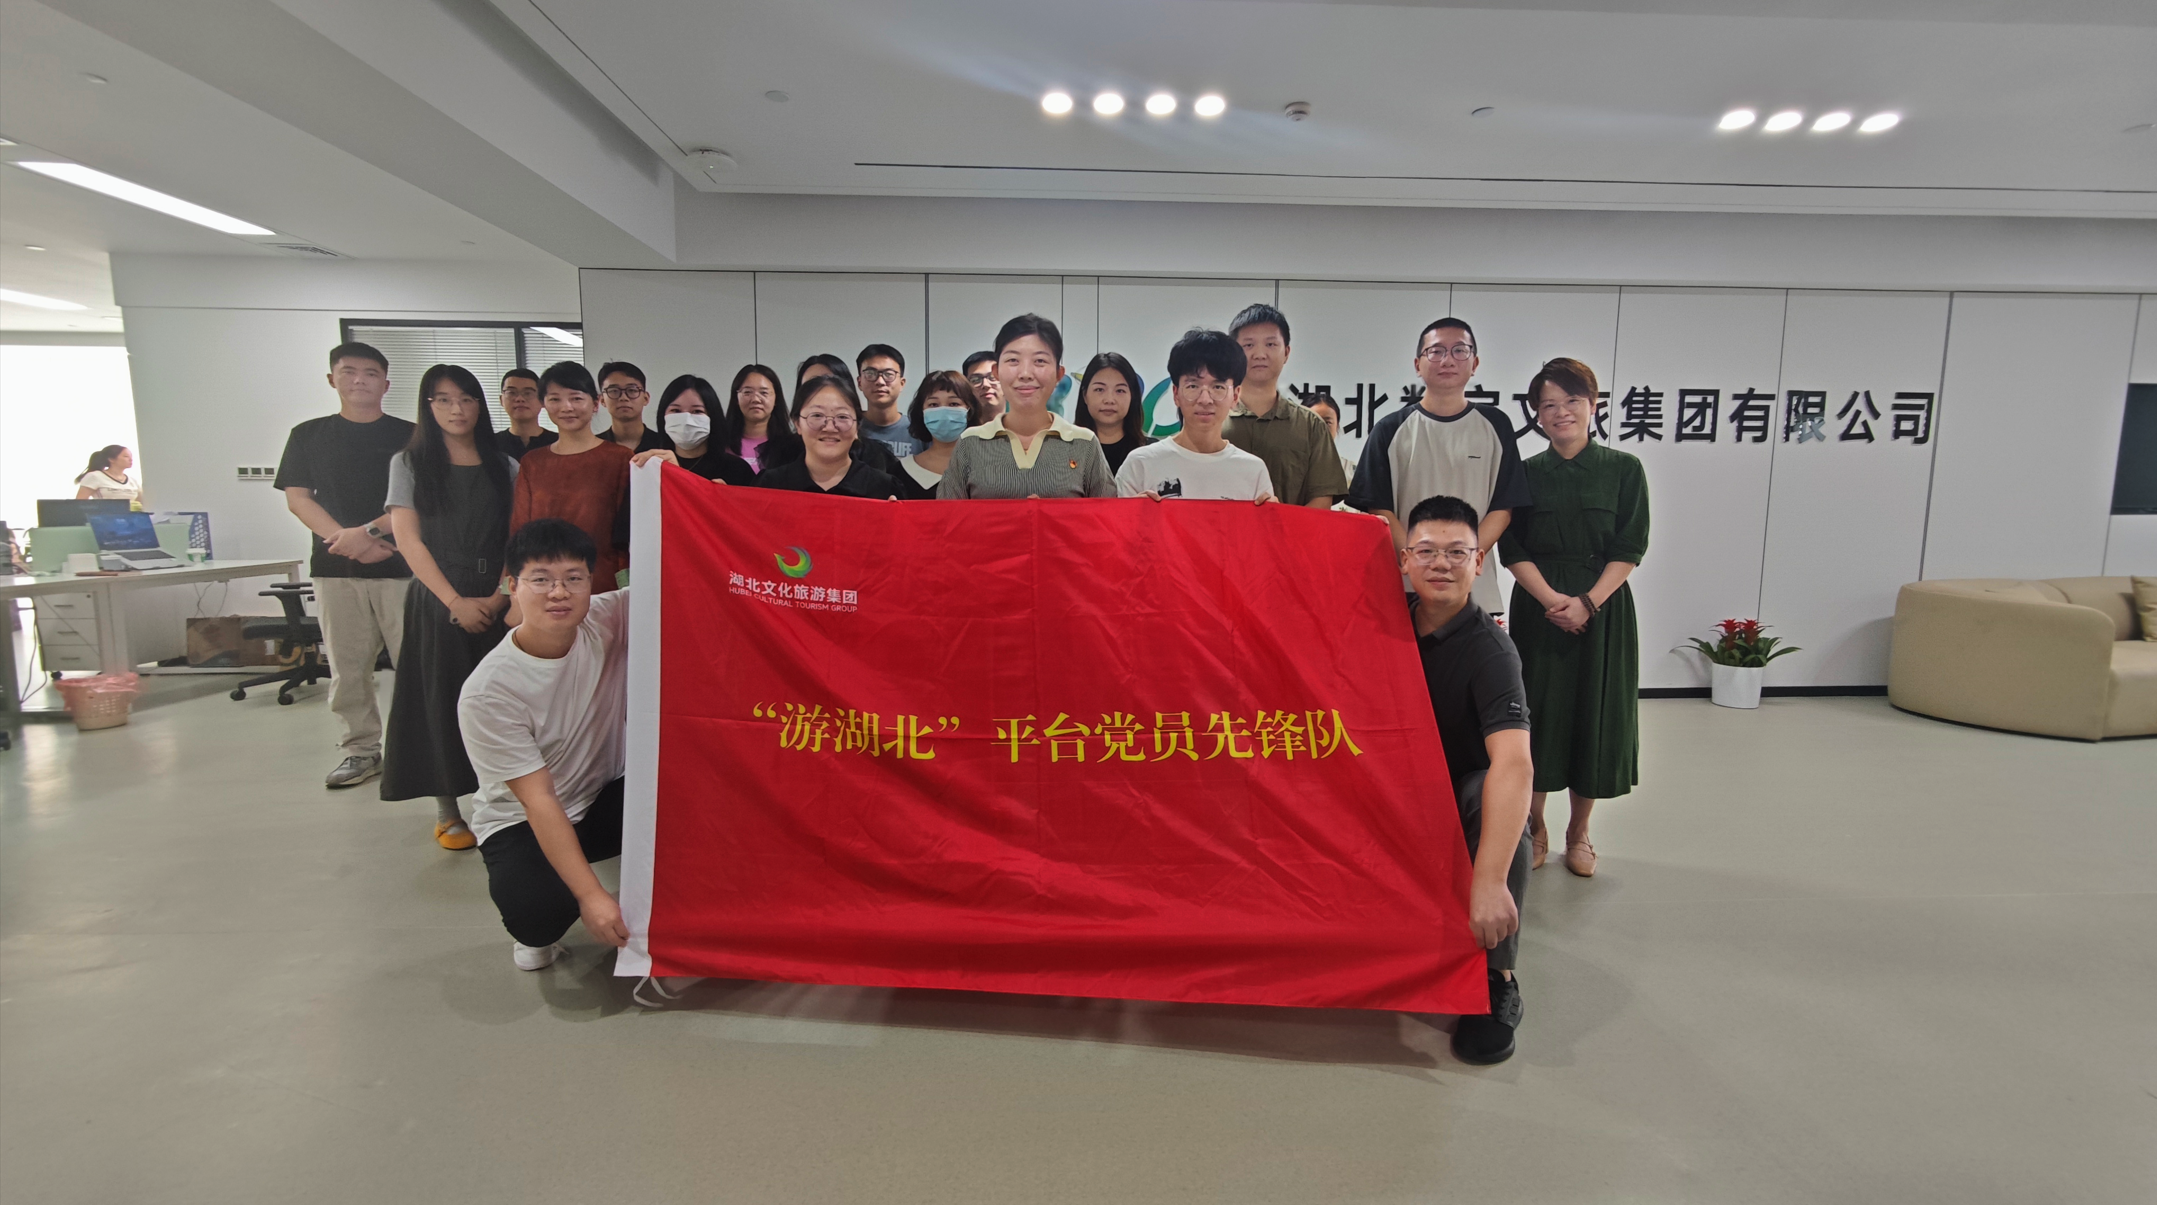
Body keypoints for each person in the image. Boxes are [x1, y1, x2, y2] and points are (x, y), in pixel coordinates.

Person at [1499, 359, 1649, 879]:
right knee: (1536, 715)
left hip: (1604, 606)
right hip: (1538, 607)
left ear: (1593, 405)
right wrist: (1551, 601)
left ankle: (1579, 831)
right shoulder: (1524, 473)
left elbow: (1630, 546)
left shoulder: (1624, 468)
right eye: (1548, 404)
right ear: (1536, 414)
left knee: (1595, 713)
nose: (1560, 412)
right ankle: (1535, 825)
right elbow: (1512, 547)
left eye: (1572, 401)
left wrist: (1588, 602)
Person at [458, 519, 629, 973]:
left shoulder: (609, 617)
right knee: (538, 916)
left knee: (690, 788)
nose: (559, 593)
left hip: (602, 798)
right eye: (541, 579)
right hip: (523, 821)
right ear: (512, 586)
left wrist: (708, 501)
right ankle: (545, 918)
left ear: (591, 582)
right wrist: (591, 895)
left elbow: (685, 577)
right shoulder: (489, 692)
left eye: (574, 578)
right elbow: (539, 800)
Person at [1402, 493, 1534, 1066]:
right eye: (1426, 551)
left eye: (1457, 552)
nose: (1441, 564)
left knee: (1495, 801)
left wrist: (1489, 880)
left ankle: (1496, 976)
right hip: (1384, 789)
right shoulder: (1377, 618)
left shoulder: (1491, 652)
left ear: (1479, 562)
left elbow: (1515, 763)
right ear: (1404, 559)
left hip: (1451, 796)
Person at [380, 365, 518, 850]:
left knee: (499, 702)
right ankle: (447, 809)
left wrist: (500, 597)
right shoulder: (409, 464)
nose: (456, 409)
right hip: (439, 596)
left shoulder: (505, 465)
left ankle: (502, 801)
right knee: (439, 699)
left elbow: (515, 538)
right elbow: (408, 540)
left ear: (481, 405)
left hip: (498, 592)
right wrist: (455, 601)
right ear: (428, 406)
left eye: (466, 399)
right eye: (443, 400)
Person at [275, 342, 415, 789]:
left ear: (386, 384)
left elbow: (423, 498)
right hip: (336, 569)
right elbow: (299, 499)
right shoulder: (308, 435)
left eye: (370, 373)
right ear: (332, 379)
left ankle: (420, 748)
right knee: (348, 668)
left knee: (417, 665)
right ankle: (360, 750)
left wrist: (369, 533)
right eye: (349, 371)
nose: (359, 380)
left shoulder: (412, 435)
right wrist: (348, 541)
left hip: (405, 566)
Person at [1348, 318, 1532, 615]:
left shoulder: (1496, 425)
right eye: (1436, 351)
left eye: (1459, 350)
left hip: (1475, 587)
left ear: (1475, 363)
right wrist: (1419, 559)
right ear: (1417, 364)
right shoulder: (1390, 429)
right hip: (1406, 587)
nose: (1447, 360)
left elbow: (1503, 507)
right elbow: (1379, 509)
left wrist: (1463, 559)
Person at [938, 314, 1115, 500]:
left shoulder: (1084, 443)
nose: (1025, 374)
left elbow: (1108, 514)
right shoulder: (970, 443)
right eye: (1013, 360)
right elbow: (946, 514)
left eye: (1040, 361)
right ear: (997, 372)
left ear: (1059, 374)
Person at [509, 361, 632, 592]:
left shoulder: (620, 458)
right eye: (555, 399)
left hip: (601, 585)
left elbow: (625, 537)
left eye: (576, 398)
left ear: (595, 403)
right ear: (543, 404)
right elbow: (519, 531)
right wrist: (512, 592)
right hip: (543, 587)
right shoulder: (533, 462)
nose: (566, 407)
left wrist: (625, 589)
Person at [1115, 330, 1274, 503]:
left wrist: (1272, 515)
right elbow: (1115, 521)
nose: (1205, 399)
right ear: (1176, 394)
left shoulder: (1253, 471)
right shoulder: (1141, 464)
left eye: (1218, 387)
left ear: (1235, 396)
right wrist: (1133, 513)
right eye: (1193, 386)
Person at [1225, 303, 1347, 509]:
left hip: (1292, 531)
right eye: (1249, 345)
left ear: (1287, 352)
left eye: (1270, 344)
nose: (1260, 354)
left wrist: (1285, 527)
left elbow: (1322, 499)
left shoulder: (1311, 426)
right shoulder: (1212, 419)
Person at [753, 375, 901, 498]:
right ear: (797, 423)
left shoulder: (884, 488)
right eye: (817, 415)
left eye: (842, 417)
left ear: (857, 426)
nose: (830, 427)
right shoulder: (770, 485)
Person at [765, 354, 907, 478]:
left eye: (832, 381)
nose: (824, 391)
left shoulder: (875, 456)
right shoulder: (780, 455)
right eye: (812, 384)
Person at [633, 375, 755, 485]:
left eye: (697, 411)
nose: (686, 419)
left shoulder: (737, 470)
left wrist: (721, 495)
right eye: (676, 411)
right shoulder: (651, 464)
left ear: (712, 417)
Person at [895, 370, 981, 499]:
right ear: (922, 412)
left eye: (954, 404)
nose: (943, 411)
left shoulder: (990, 467)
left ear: (969, 411)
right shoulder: (901, 472)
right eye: (933, 404)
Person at [1073, 352, 1153, 475]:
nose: (1109, 400)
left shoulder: (1151, 452)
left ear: (1132, 397)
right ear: (1085, 395)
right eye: (1099, 389)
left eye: (1120, 390)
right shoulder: (1065, 451)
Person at [720, 364, 788, 473]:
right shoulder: (721, 443)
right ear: (736, 398)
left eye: (764, 392)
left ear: (776, 398)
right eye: (747, 392)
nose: (755, 399)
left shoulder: (790, 446)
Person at [856, 343, 919, 459]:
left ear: (902, 383)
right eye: (870, 374)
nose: (880, 381)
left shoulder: (918, 431)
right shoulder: (850, 428)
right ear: (859, 382)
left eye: (888, 374)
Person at [596, 361, 672, 454]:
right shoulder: (593, 447)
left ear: (645, 398)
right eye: (614, 391)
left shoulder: (666, 445)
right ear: (602, 400)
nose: (623, 398)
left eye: (632, 390)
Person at [494, 368, 556, 461]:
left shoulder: (559, 442)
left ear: (542, 400)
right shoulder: (490, 444)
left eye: (528, 393)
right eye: (511, 393)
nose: (520, 399)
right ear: (501, 400)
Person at [1304, 392, 1357, 494]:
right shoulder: (1290, 468)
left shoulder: (1352, 471)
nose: (1320, 428)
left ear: (1337, 426)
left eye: (1327, 423)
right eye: (1312, 421)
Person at [74, 445, 141, 505]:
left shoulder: (133, 481)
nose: (131, 459)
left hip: (129, 515)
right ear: (111, 459)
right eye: (126, 456)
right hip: (103, 514)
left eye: (131, 457)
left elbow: (141, 503)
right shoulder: (95, 476)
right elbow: (80, 502)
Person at [961, 351, 1004, 421]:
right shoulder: (960, 425)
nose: (985, 384)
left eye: (992, 377)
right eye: (975, 380)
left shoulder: (1021, 423)